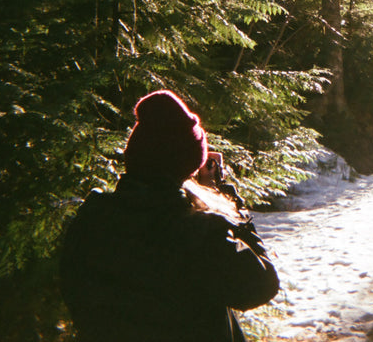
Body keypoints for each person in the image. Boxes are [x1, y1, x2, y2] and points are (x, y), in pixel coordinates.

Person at [60, 90, 279, 342]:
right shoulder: (200, 235)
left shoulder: (91, 220)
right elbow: (262, 285)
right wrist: (234, 212)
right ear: (188, 166)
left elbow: (74, 295)